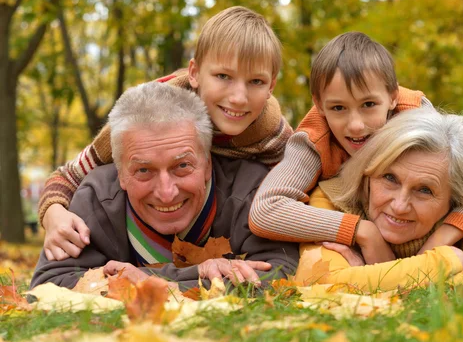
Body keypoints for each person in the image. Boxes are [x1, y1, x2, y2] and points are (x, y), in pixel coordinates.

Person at [39, 6, 293, 262]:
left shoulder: (271, 132)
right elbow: (68, 175)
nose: (239, 98)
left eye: (256, 82)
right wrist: (53, 212)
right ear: (194, 73)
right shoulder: (144, 119)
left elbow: (302, 185)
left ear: (271, 85)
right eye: (223, 76)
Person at [249, 32, 463, 264]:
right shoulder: (313, 142)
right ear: (320, 105)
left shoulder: (414, 116)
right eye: (338, 108)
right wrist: (361, 231)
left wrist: (440, 240)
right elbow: (265, 211)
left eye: (369, 105)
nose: (356, 126)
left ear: (393, 97)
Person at [30, 82, 299, 290]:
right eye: (144, 170)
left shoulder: (252, 189)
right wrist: (196, 275)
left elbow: (282, 273)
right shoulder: (98, 195)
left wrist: (144, 281)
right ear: (120, 173)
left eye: (182, 166)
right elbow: (48, 285)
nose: (166, 191)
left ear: (207, 162)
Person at [294, 108, 463, 290]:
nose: (399, 205)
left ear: (454, 199)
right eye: (389, 178)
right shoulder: (332, 199)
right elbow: (318, 283)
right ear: (368, 174)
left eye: (424, 190)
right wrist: (449, 261)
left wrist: (371, 276)